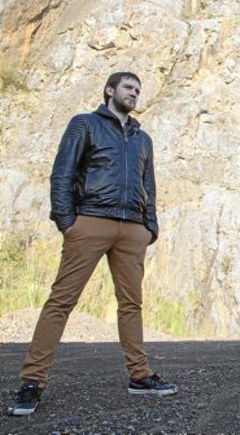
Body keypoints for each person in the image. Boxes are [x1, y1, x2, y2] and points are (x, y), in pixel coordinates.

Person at [7, 72, 177, 417]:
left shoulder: (143, 139)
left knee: (131, 304)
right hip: (91, 220)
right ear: (110, 90)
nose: (134, 93)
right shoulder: (84, 124)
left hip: (133, 229)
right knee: (61, 301)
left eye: (138, 90)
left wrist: (150, 228)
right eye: (128, 87)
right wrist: (68, 223)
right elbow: (62, 173)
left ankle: (140, 376)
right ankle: (32, 381)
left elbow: (149, 185)